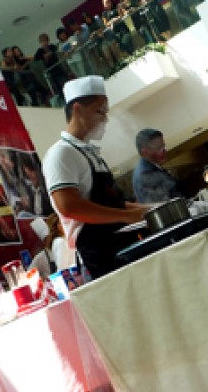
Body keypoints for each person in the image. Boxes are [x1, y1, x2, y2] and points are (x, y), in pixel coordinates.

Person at [42, 75, 151, 280]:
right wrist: (126, 216)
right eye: (99, 111)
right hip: (97, 256)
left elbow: (115, 205)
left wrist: (152, 209)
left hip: (119, 246)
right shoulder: (61, 153)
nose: (105, 119)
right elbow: (69, 207)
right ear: (78, 109)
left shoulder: (89, 153)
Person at [131, 128, 185, 203]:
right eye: (158, 148)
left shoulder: (150, 168)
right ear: (144, 152)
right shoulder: (146, 175)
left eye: (163, 146)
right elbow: (165, 205)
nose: (164, 151)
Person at [19, 152, 54, 217]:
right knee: (22, 214)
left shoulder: (48, 186)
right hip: (37, 221)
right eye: (27, 176)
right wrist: (27, 206)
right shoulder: (30, 189)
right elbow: (35, 212)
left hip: (49, 220)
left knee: (22, 215)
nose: (30, 178)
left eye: (32, 171)